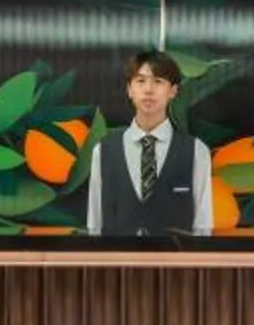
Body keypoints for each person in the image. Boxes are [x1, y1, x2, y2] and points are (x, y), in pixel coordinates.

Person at [83, 51, 216, 236]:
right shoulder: (103, 151)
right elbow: (95, 225)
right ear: (129, 89)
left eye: (158, 81)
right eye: (141, 81)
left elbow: (202, 228)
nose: (148, 89)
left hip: (174, 254)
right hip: (118, 254)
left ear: (173, 91)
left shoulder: (196, 151)